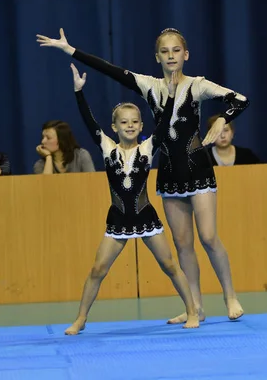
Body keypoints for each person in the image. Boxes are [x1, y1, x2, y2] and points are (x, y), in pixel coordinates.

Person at [37, 27, 246, 324]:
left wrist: (223, 117)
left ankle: (230, 296)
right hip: (169, 173)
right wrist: (72, 51)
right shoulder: (149, 85)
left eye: (176, 51)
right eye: (165, 51)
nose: (171, 56)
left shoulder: (198, 86)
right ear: (157, 57)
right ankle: (195, 306)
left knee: (209, 237)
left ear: (185, 55)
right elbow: (111, 71)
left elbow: (240, 99)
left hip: (198, 169)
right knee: (183, 244)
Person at [64, 63, 199, 335]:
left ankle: (194, 310)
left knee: (170, 265)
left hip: (145, 216)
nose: (129, 126)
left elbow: (164, 125)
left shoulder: (147, 148)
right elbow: (89, 122)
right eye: (123, 122)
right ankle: (80, 319)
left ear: (140, 126)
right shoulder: (107, 148)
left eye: (134, 122)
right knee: (97, 269)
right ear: (114, 127)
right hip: (118, 219)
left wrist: (171, 95)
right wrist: (79, 92)